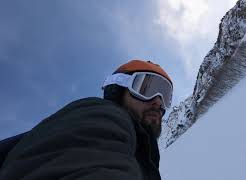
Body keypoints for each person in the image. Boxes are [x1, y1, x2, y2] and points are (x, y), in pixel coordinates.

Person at [0, 59, 173, 180]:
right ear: (119, 90)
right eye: (146, 87)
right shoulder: (102, 115)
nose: (158, 101)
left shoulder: (141, 152)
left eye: (165, 95)